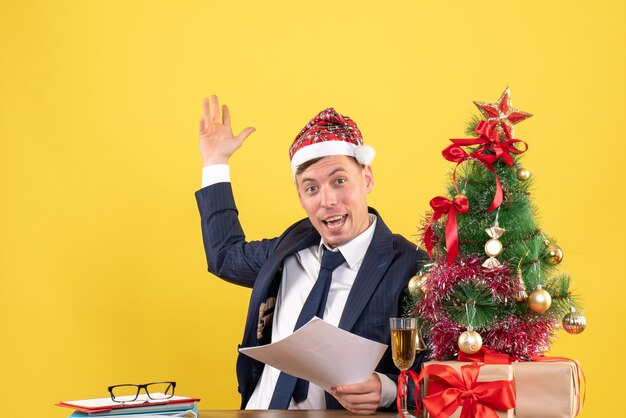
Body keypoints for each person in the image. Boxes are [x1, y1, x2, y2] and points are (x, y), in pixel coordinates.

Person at [195, 95, 428, 415]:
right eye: (311, 188)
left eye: (339, 181)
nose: (327, 200)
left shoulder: (412, 268)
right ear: (300, 197)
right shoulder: (293, 243)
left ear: (367, 178)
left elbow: (447, 377)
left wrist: (388, 389)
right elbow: (224, 256)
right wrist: (215, 163)